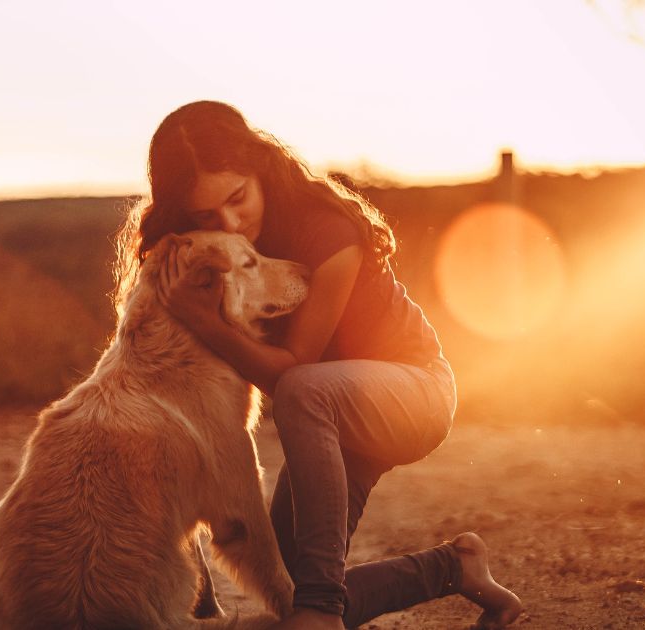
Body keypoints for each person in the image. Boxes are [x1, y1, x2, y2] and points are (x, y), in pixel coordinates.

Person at [114, 100, 523, 629]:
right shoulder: (203, 256)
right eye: (206, 216)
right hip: (328, 417)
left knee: (304, 391)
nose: (231, 223)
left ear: (259, 166)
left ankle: (322, 615)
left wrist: (207, 323)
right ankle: (455, 568)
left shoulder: (326, 229)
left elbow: (293, 370)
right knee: (286, 579)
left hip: (412, 392)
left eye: (238, 199)